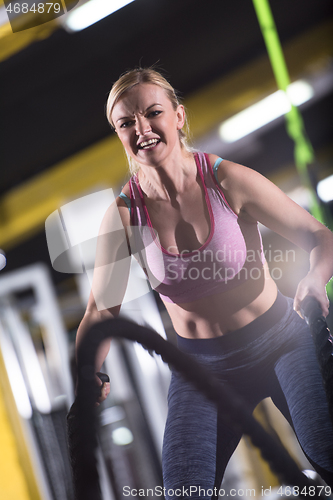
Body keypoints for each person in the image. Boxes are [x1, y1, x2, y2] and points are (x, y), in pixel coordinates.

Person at [76, 67, 333, 497]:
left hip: (283, 341)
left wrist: (314, 276)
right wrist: (87, 372)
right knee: (184, 491)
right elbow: (100, 312)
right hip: (202, 368)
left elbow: (319, 237)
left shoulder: (228, 180)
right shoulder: (123, 216)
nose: (141, 129)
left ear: (178, 116)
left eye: (152, 113)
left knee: (326, 454)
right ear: (118, 133)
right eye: (126, 123)